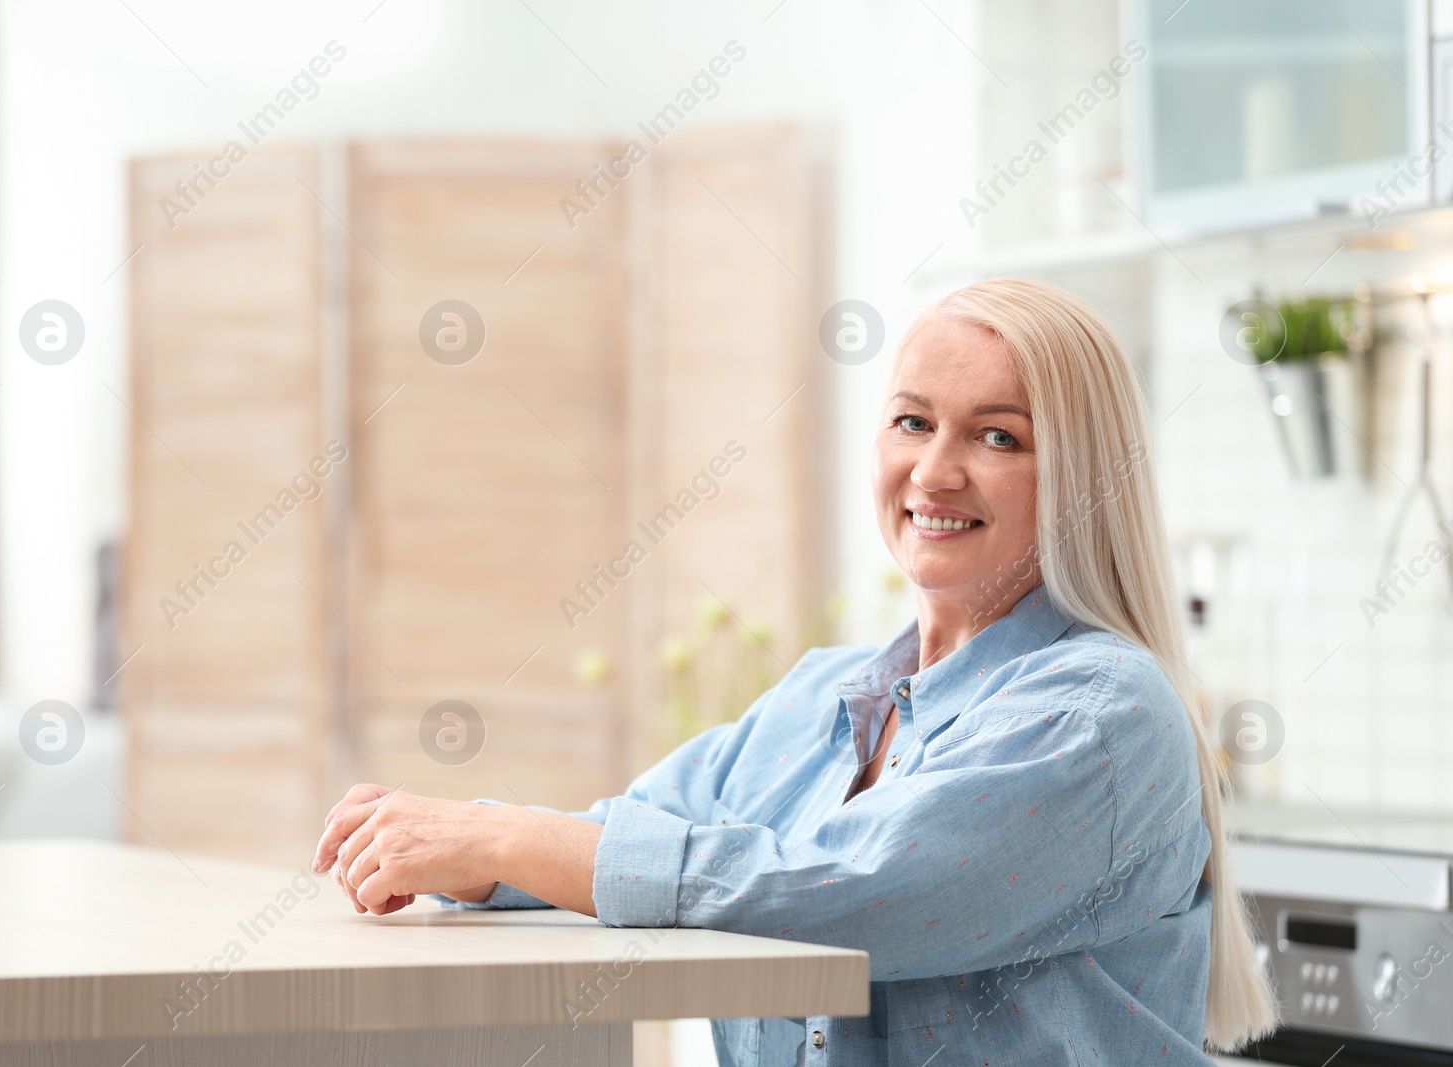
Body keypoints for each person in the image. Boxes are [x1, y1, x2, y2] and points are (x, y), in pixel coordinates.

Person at [313, 278, 1278, 1064]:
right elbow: (626, 839)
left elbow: (856, 898)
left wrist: (501, 841)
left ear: (1083, 477)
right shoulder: (824, 694)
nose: (934, 472)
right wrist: (459, 847)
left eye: (998, 436)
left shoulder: (1104, 715)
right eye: (911, 422)